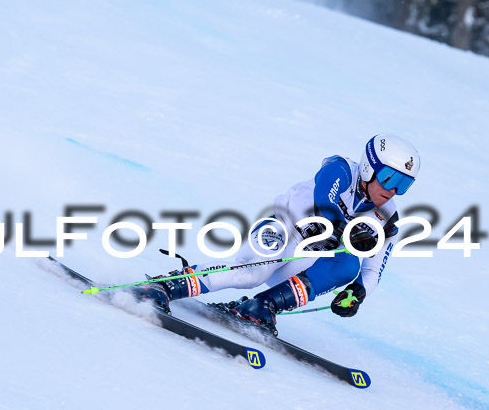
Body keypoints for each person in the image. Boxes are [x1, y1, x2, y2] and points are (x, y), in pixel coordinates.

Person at [141, 134, 420, 334]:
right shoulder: (342, 170)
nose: (393, 190)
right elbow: (325, 199)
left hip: (305, 260)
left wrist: (357, 293)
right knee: (251, 274)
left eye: (404, 184)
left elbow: (373, 270)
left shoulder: (386, 219)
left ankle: (262, 306)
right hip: (281, 232)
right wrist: (347, 231)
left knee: (348, 265)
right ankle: (164, 286)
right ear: (370, 168)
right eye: (390, 178)